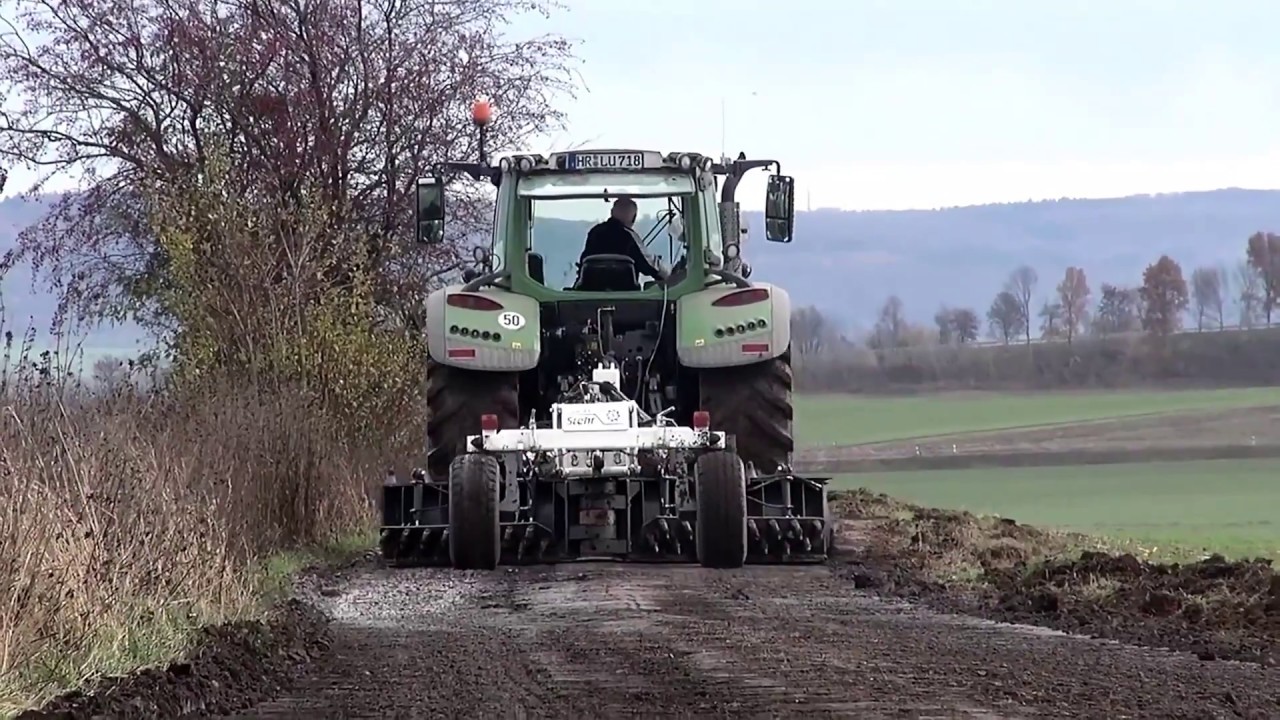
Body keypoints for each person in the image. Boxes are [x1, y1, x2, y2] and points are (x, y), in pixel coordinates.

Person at [579, 198, 667, 281]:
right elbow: (649, 266)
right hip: (625, 294)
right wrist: (667, 272)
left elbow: (584, 261)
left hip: (590, 292)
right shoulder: (629, 236)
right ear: (633, 217)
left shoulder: (595, 232)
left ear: (612, 212)